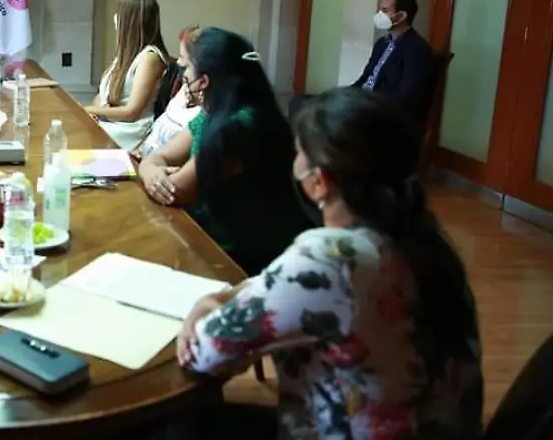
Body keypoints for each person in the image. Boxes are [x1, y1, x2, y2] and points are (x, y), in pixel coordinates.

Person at [170, 87, 482, 440]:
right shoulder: (425, 242)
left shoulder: (329, 258)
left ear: (318, 182)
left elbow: (205, 354)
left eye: (298, 153)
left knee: (179, 425)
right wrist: (225, 296)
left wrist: (207, 303)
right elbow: (281, 289)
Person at [138, 27, 312, 274]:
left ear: (204, 81)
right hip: (209, 239)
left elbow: (176, 191)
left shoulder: (238, 126)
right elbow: (161, 156)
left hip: (238, 259)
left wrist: (152, 170)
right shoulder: (213, 113)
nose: (183, 73)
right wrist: (152, 167)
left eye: (187, 66)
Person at [289, 0, 436, 124]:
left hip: (381, 109)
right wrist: (344, 95)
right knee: (300, 103)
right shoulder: (382, 43)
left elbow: (407, 96)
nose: (379, 14)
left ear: (401, 16)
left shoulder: (417, 49)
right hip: (362, 99)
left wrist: (366, 103)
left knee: (321, 115)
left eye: (385, 11)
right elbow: (366, 78)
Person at [83, 0, 169, 150]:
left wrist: (87, 110)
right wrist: (96, 112)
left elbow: (131, 112)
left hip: (129, 131)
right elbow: (102, 96)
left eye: (119, 14)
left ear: (130, 22)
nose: (115, 18)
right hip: (111, 123)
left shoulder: (149, 58)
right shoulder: (125, 55)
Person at [132, 25, 203, 158]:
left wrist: (149, 163)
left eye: (183, 58)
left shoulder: (204, 116)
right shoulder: (184, 91)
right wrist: (138, 152)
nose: (178, 63)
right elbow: (158, 128)